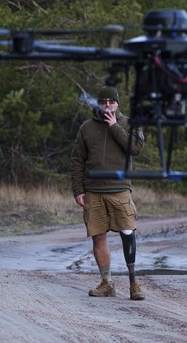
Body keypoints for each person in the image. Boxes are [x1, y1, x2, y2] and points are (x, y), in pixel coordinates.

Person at [70, 86, 146, 300]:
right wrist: (78, 189)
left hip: (120, 189)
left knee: (128, 234)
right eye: (103, 102)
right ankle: (107, 283)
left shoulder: (129, 123)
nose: (107, 105)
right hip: (93, 191)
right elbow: (77, 160)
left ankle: (134, 284)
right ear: (98, 104)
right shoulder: (86, 128)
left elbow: (136, 149)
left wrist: (114, 126)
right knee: (98, 237)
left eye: (111, 102)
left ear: (117, 103)